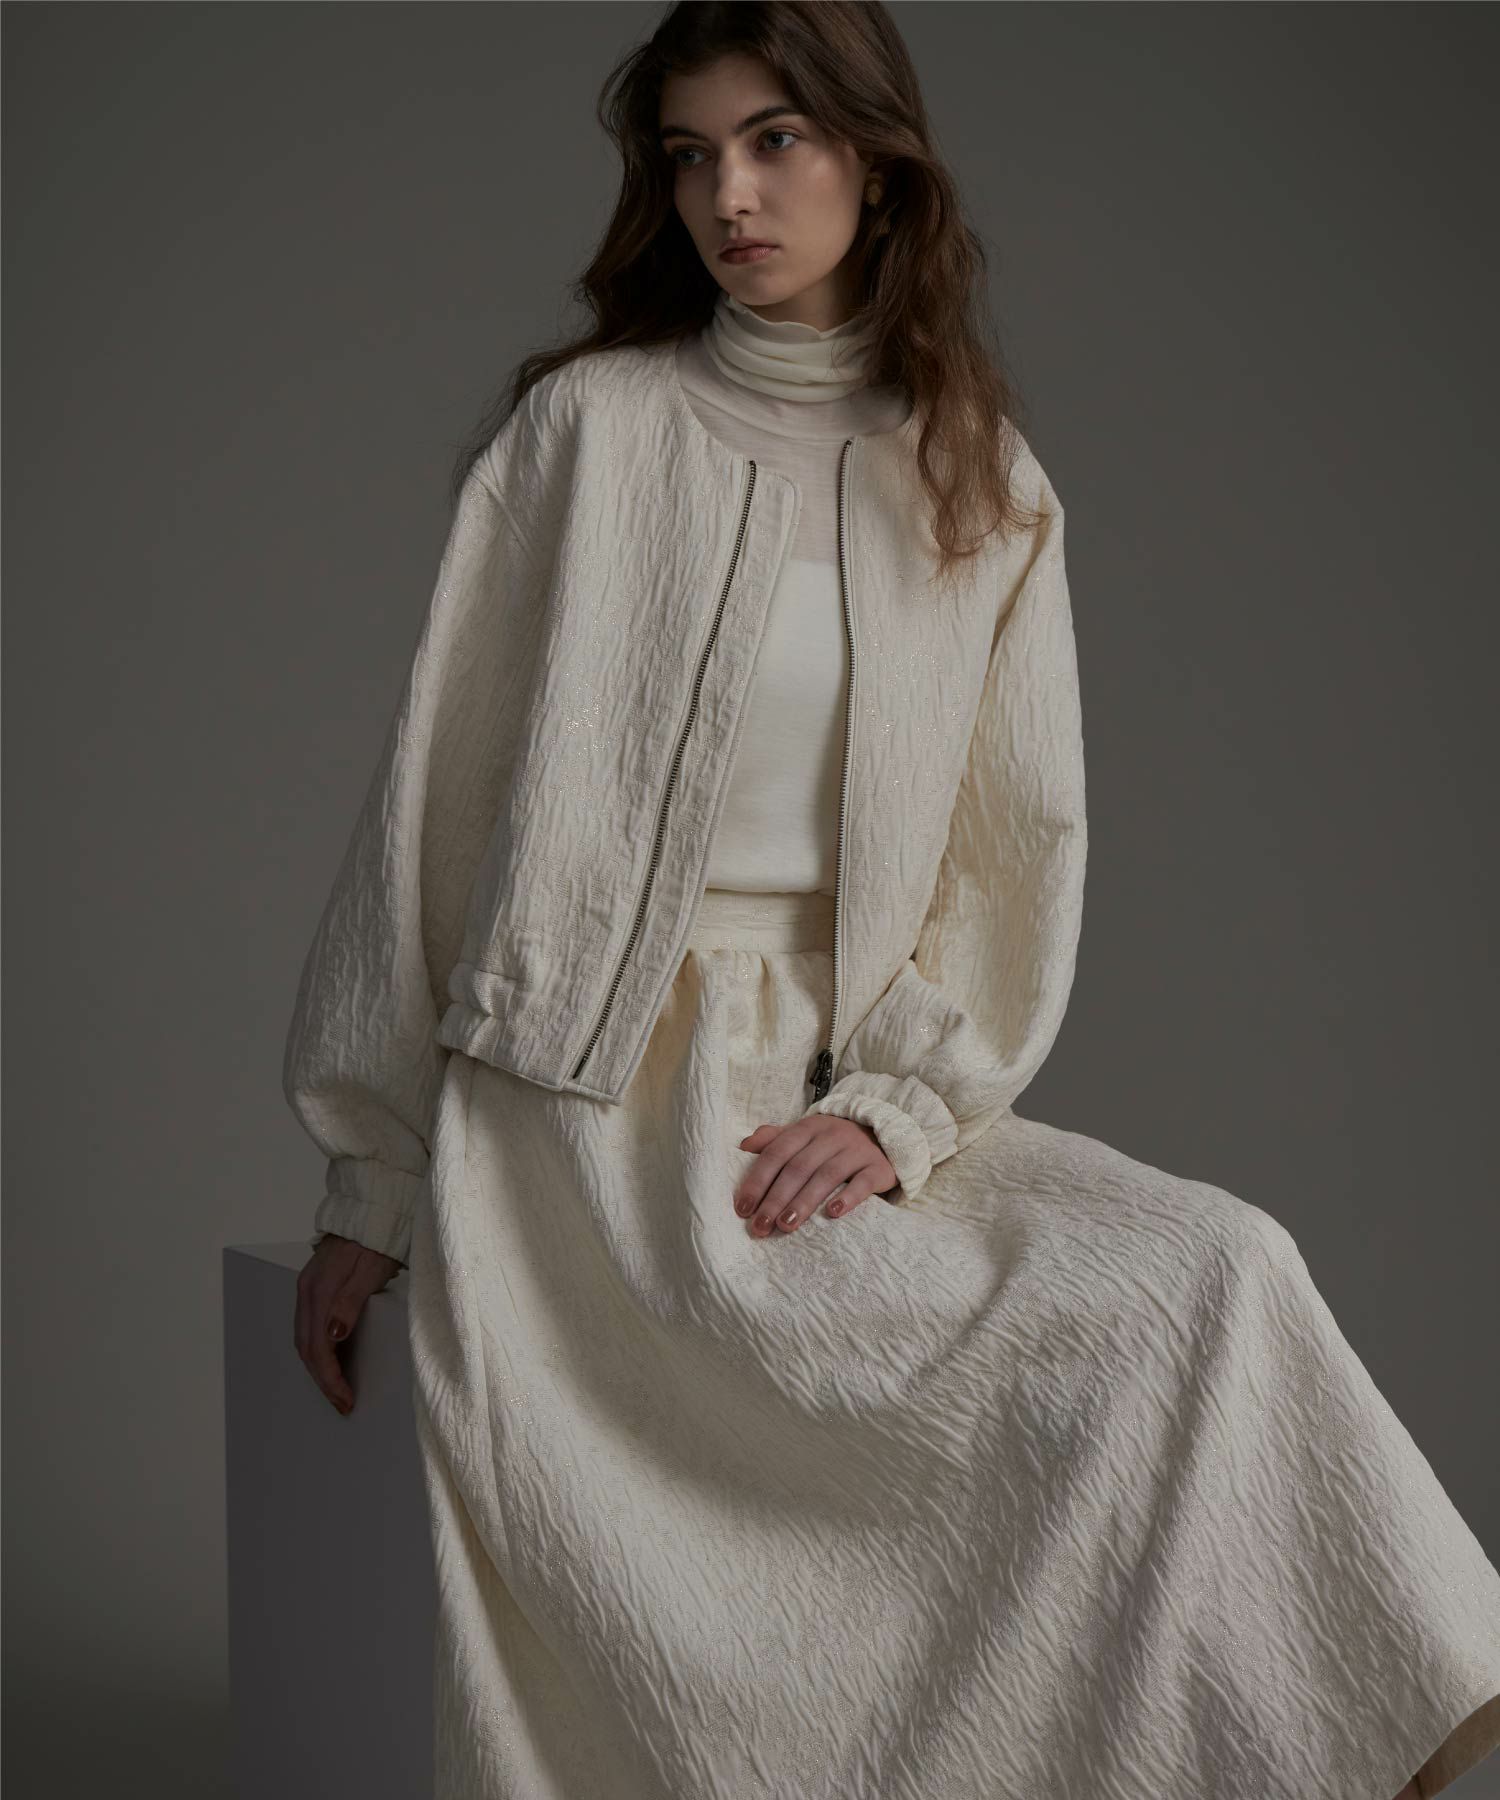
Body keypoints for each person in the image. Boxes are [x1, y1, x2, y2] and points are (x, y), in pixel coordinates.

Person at [281, 6, 1500, 1797]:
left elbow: (1018, 854)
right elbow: (430, 816)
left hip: (831, 1081)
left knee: (1221, 1267)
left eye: (775, 140)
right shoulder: (585, 434)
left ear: (878, 160)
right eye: (690, 156)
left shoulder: (981, 478)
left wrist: (901, 1108)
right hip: (591, 1121)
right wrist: (371, 1183)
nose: (730, 196)